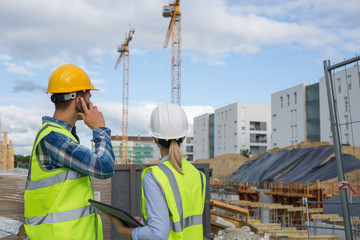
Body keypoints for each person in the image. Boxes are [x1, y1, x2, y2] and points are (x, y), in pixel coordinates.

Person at [24, 64, 115, 240]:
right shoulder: (54, 139)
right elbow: (104, 167)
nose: (92, 103)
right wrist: (100, 129)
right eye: (89, 97)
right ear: (79, 100)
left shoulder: (61, 136)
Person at [108, 102, 206, 239]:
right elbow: (178, 221)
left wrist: (125, 231)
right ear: (183, 137)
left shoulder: (155, 176)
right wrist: (144, 223)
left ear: (154, 139)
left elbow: (158, 234)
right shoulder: (199, 176)